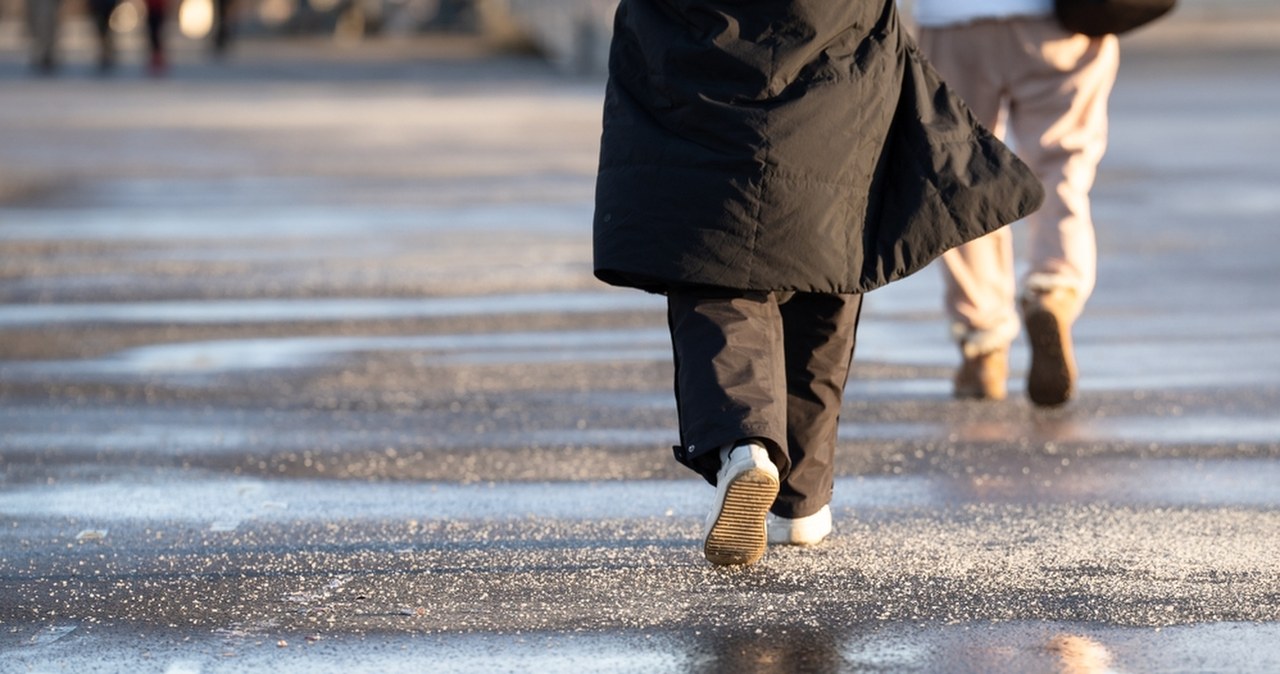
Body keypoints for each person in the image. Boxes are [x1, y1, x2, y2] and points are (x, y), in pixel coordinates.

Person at [594, 0, 1044, 566]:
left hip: (695, 67)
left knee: (714, 268)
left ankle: (745, 446)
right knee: (826, 265)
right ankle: (801, 503)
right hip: (837, 60)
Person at [912, 0, 1120, 406]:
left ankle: (983, 344)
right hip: (1058, 20)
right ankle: (1053, 290)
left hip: (952, 20)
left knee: (962, 173)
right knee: (1063, 164)